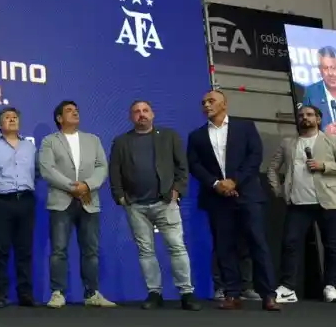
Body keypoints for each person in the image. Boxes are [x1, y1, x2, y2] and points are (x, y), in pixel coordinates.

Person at [186, 89, 280, 311]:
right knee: (224, 246)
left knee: (258, 243)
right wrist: (218, 185)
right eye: (203, 102)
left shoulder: (245, 127)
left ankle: (268, 294)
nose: (206, 105)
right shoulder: (196, 136)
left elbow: (254, 156)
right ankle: (232, 293)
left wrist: (234, 181)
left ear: (224, 104)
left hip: (248, 195)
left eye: (211, 101)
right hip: (217, 198)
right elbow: (195, 165)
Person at [109, 100, 200, 311]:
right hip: (135, 205)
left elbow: (182, 167)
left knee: (177, 247)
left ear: (153, 114)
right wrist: (121, 197)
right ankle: (154, 293)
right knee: (145, 251)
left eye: (145, 111)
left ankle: (187, 293)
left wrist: (177, 190)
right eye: (136, 112)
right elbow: (115, 171)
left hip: (165, 202)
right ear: (131, 117)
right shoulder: (121, 141)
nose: (141, 114)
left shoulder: (169, 137)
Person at [38, 100, 115, 308]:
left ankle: (92, 294)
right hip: (61, 201)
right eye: (69, 111)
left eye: (76, 110)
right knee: (59, 250)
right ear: (59, 118)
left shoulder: (93, 140)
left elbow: (102, 167)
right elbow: (47, 169)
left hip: (89, 201)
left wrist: (87, 186)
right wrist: (74, 187)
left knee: (91, 250)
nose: (75, 113)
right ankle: (57, 293)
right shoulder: (49, 141)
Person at [266, 104, 336, 303]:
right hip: (298, 202)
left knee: (332, 246)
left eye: (310, 114)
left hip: (328, 201)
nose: (305, 118)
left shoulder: (330, 141)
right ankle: (288, 288)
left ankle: (332, 286)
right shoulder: (288, 143)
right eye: (301, 115)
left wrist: (324, 166)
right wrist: (278, 190)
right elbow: (272, 168)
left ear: (319, 119)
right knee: (290, 244)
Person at [0, 108, 37, 307]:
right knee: (0, 248)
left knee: (25, 249)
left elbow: (35, 173)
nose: (12, 120)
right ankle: (0, 294)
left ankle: (26, 294)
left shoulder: (30, 147)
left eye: (15, 117)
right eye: (7, 117)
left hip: (26, 200)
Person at [295, 46, 336, 134]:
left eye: (334, 68)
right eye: (326, 68)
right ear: (320, 70)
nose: (331, 73)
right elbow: (304, 130)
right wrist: (324, 133)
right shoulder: (311, 93)